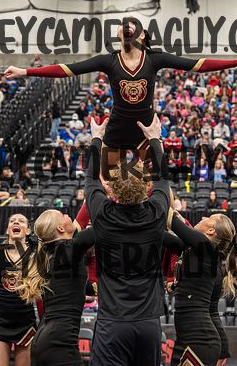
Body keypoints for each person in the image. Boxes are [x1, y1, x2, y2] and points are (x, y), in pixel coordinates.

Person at [5, 17, 237, 150]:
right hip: (117, 126)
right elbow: (67, 69)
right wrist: (25, 71)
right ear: (118, 35)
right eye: (122, 27)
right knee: (101, 178)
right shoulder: (108, 60)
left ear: (143, 34)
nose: (125, 29)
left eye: (132, 26)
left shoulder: (155, 58)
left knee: (155, 181)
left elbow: (197, 64)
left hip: (145, 127)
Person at [84, 115, 169, 366]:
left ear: (112, 188)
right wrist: (155, 140)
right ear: (145, 188)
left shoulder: (102, 214)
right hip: (148, 323)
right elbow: (162, 178)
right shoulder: (156, 213)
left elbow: (91, 179)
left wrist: (96, 138)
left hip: (113, 322)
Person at [167, 212, 237, 365]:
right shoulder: (202, 254)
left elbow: (171, 220)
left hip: (199, 341)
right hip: (189, 339)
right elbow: (212, 311)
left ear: (211, 230)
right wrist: (223, 349)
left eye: (209, 218)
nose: (203, 218)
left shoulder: (207, 248)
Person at [16, 208, 93, 366]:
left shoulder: (49, 253)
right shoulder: (69, 248)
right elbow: (106, 226)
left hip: (43, 339)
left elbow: (80, 222)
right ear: (60, 228)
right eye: (63, 215)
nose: (68, 215)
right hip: (60, 341)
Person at [0, 214, 41, 366]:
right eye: (12, 221)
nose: (16, 222)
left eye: (21, 221)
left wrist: (43, 326)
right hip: (0, 322)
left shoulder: (35, 255)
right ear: (7, 230)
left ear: (28, 231)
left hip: (26, 323)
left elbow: (40, 294)